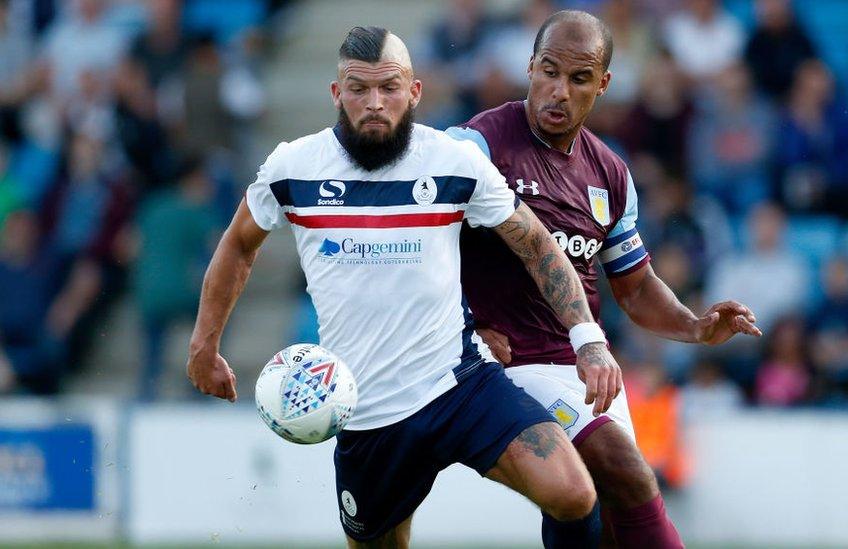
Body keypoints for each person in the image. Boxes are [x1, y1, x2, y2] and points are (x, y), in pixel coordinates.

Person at [186, 26, 622, 549]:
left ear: (414, 92)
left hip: (460, 386)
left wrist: (588, 338)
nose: (374, 103)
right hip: (366, 413)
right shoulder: (293, 168)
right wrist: (204, 346)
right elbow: (238, 244)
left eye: (389, 88)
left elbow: (537, 244)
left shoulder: (454, 163)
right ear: (336, 93)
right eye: (358, 88)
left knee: (573, 493)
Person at [448, 11, 761, 548]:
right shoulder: (477, 146)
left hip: (586, 364)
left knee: (601, 522)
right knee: (627, 470)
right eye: (549, 71)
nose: (559, 91)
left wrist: (694, 326)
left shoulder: (611, 173)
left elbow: (634, 286)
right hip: (509, 366)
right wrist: (464, 325)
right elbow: (424, 248)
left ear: (604, 84)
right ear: (529, 66)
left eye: (579, 79)